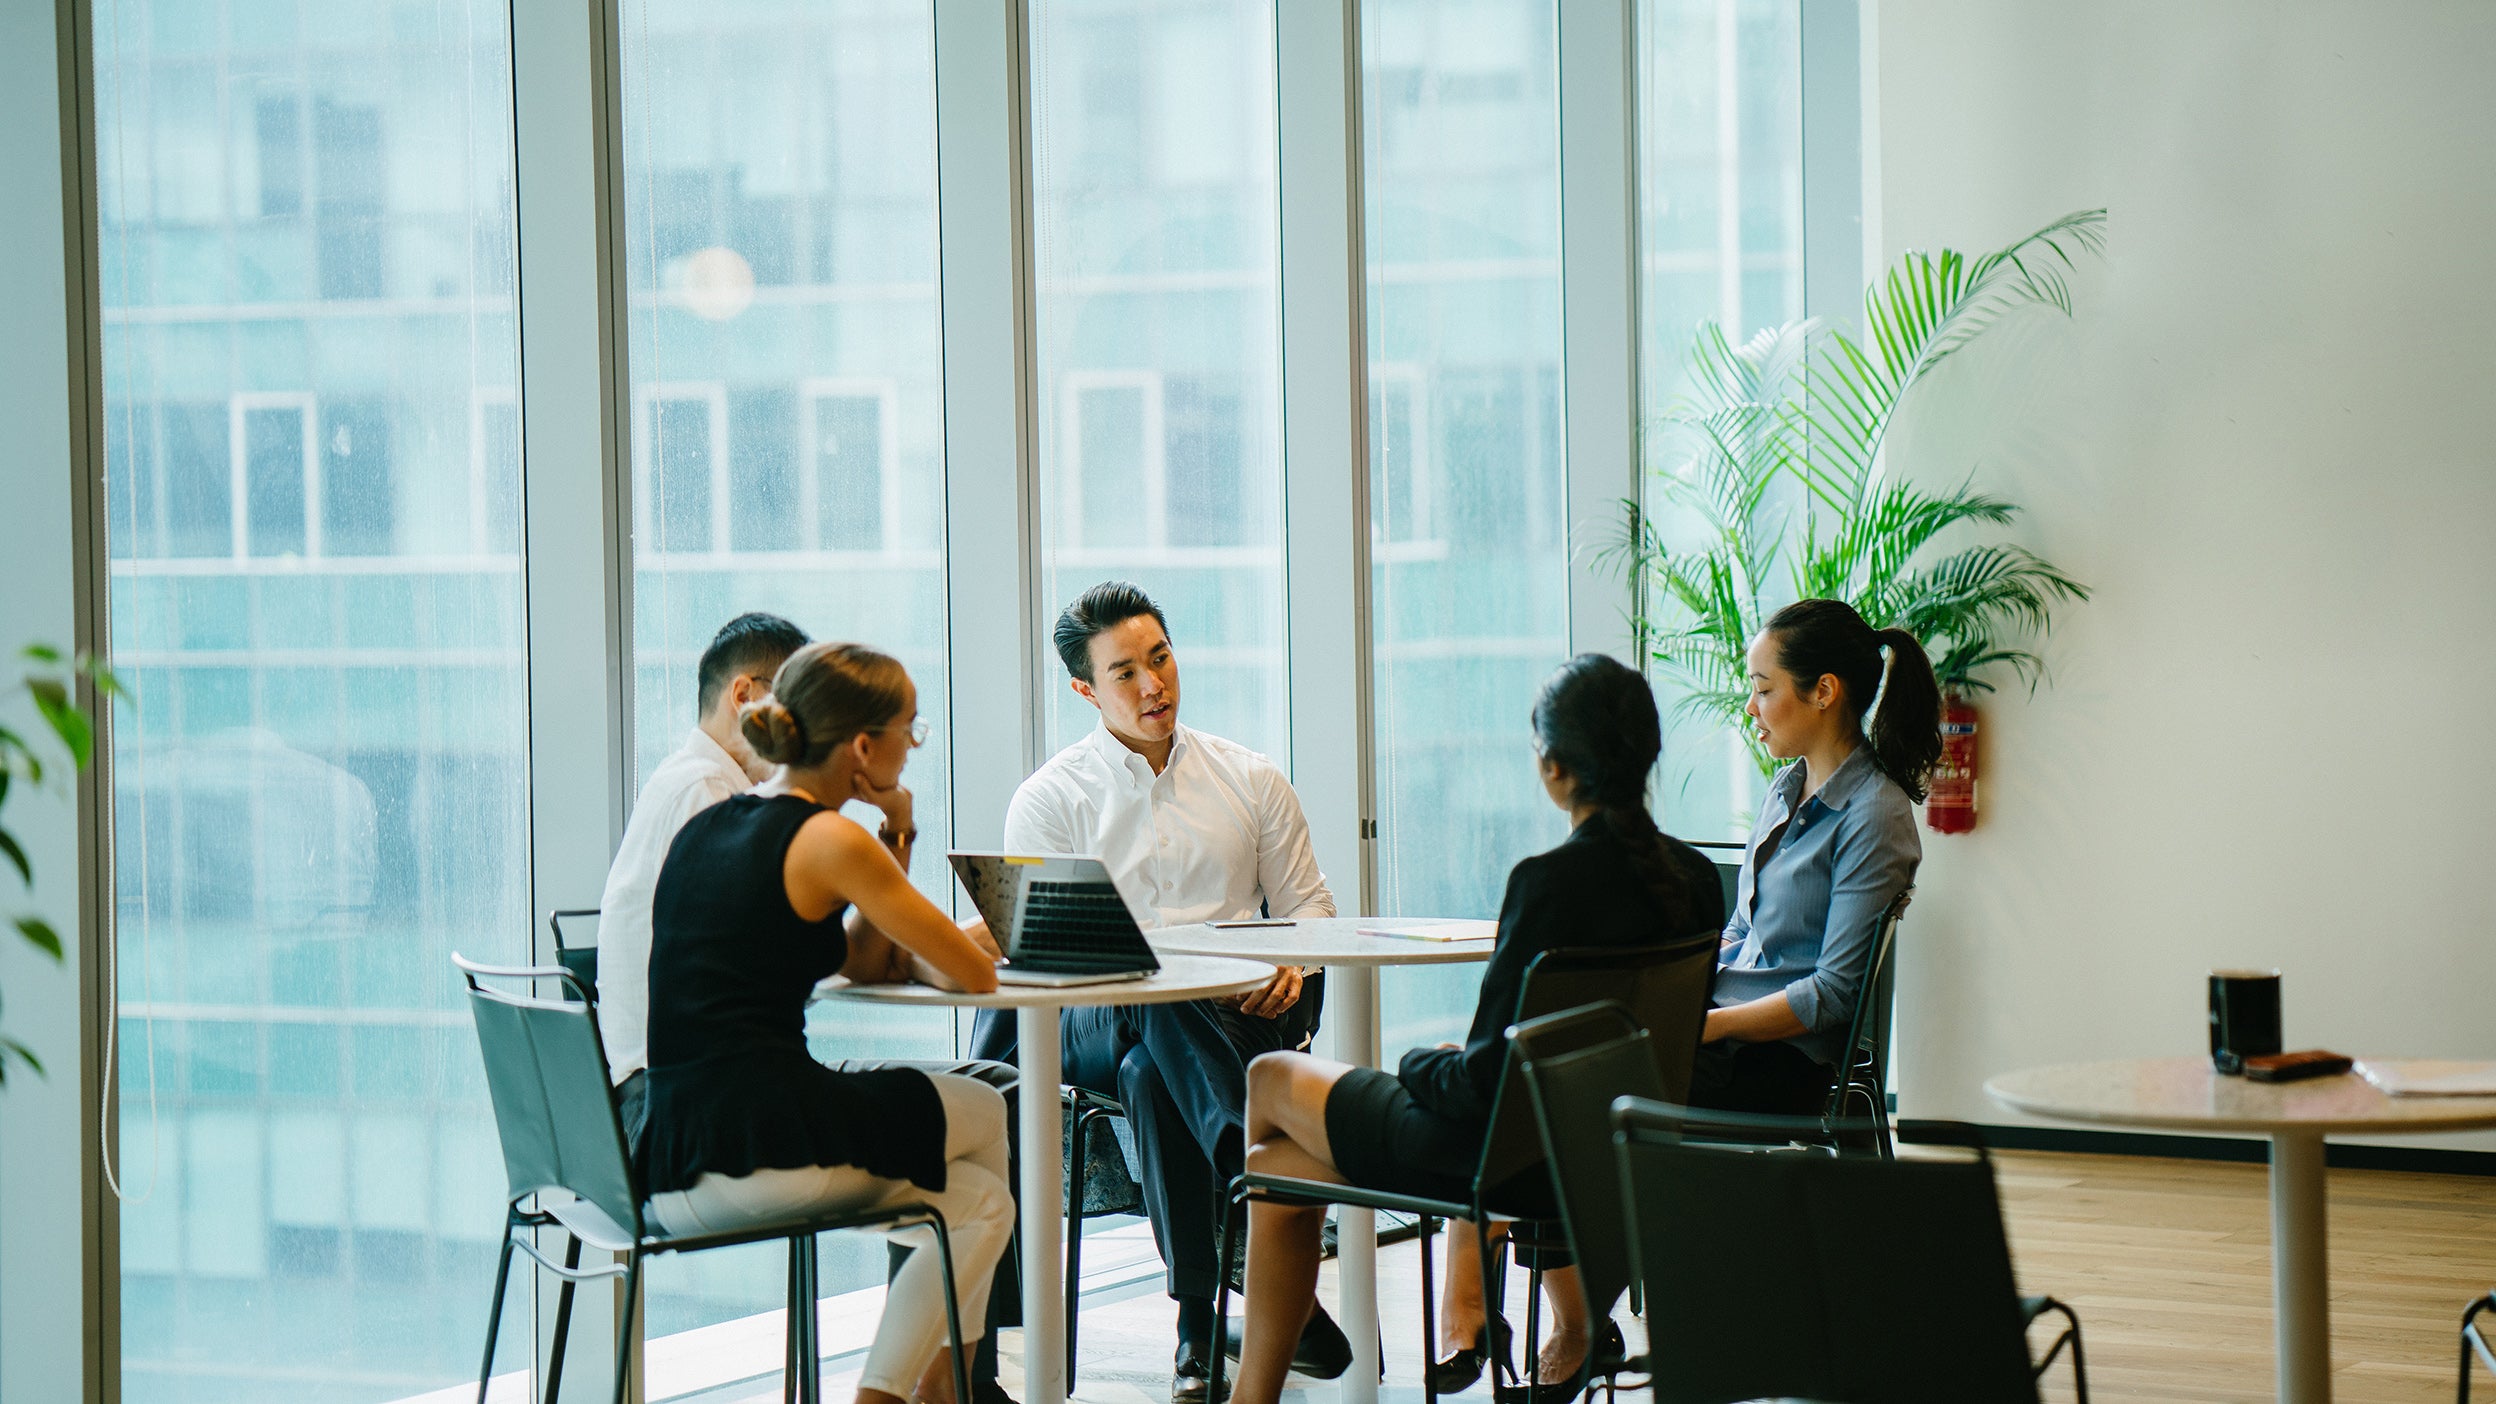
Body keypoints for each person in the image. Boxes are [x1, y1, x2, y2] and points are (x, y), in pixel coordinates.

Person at [1225, 654, 1723, 1404]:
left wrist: (1421, 1061)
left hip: (1488, 1160)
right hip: (1604, 1155)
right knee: (1281, 1166)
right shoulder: (1697, 880)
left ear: (1553, 768)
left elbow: (1481, 1085)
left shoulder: (1547, 884)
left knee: (1268, 1079)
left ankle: (1252, 1397)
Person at [967, 581, 1343, 1404]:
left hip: (1232, 1020)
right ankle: (1248, 1179)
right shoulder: (1051, 799)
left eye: (1161, 659)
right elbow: (1044, 954)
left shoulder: (1250, 778)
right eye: (1125, 673)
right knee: (1145, 983)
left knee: (1151, 1071)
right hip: (1089, 1018)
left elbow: (1309, 907)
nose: (1152, 686)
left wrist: (1298, 965)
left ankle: (1197, 1331)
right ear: (1085, 690)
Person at [639, 642, 1012, 1404]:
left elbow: (865, 963)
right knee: (988, 1110)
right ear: (864, 747)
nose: (916, 744)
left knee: (980, 1203)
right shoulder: (829, 837)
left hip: (672, 1151)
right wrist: (893, 833)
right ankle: (932, 1392)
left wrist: (897, 837)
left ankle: (940, 1393)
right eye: (912, 728)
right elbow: (974, 973)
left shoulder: (714, 825)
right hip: (764, 1142)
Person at [1694, 597, 1936, 1114]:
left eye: (1763, 689)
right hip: (1727, 1032)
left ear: (1824, 691)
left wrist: (1710, 1024)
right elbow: (1742, 930)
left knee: (1588, 1082)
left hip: (1780, 1061)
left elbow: (1832, 993)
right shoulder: (1787, 786)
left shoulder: (1873, 813)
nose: (1749, 706)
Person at [600, 611, 811, 1144]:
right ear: (744, 695)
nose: (806, 732)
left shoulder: (690, 781)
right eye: (799, 708)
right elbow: (770, 963)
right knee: (954, 1117)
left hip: (654, 1096)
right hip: (674, 1110)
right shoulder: (705, 794)